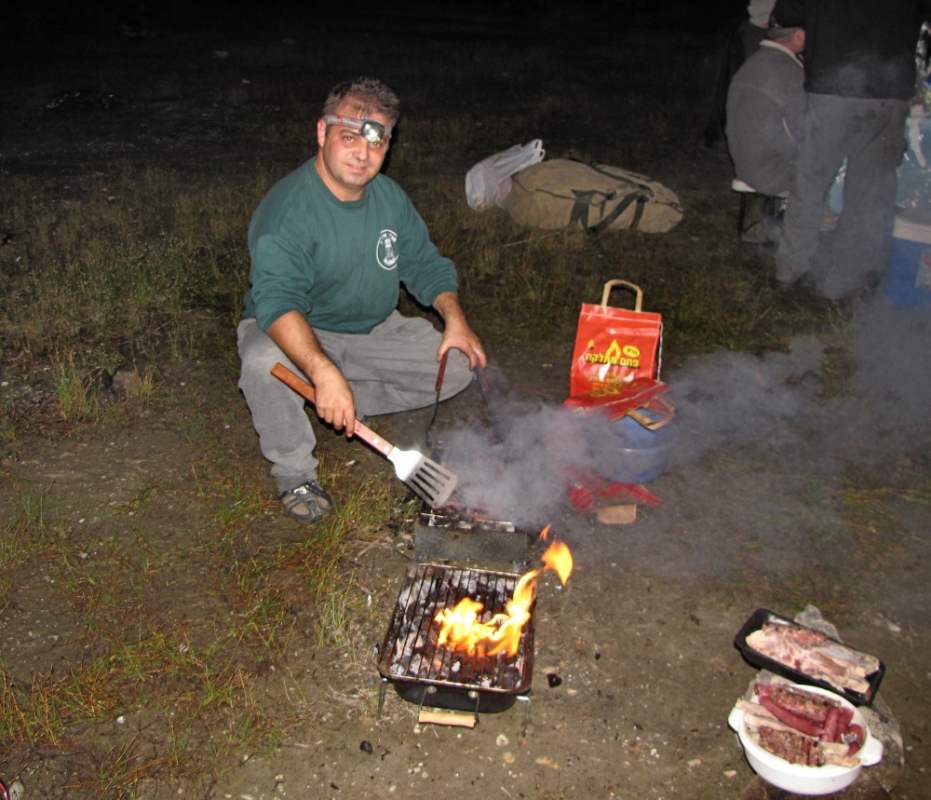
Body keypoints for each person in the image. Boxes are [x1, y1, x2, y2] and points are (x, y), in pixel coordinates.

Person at [237, 77, 486, 523]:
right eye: (349, 136)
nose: (362, 154)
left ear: (388, 145)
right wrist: (322, 367)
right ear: (322, 133)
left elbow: (426, 265)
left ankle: (339, 396)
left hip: (374, 330)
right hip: (296, 329)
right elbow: (276, 302)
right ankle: (295, 472)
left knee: (457, 367)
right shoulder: (289, 210)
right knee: (261, 363)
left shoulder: (388, 198)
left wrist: (455, 320)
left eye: (376, 142)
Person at [773, 0, 931, 300]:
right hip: (888, 92)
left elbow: (786, 13)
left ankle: (791, 272)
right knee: (868, 193)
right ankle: (844, 281)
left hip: (832, 88)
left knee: (811, 182)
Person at [726, 10, 806, 198]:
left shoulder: (751, 63)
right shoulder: (791, 72)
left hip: (744, 165)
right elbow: (800, 135)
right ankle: (820, 218)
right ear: (799, 36)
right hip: (772, 174)